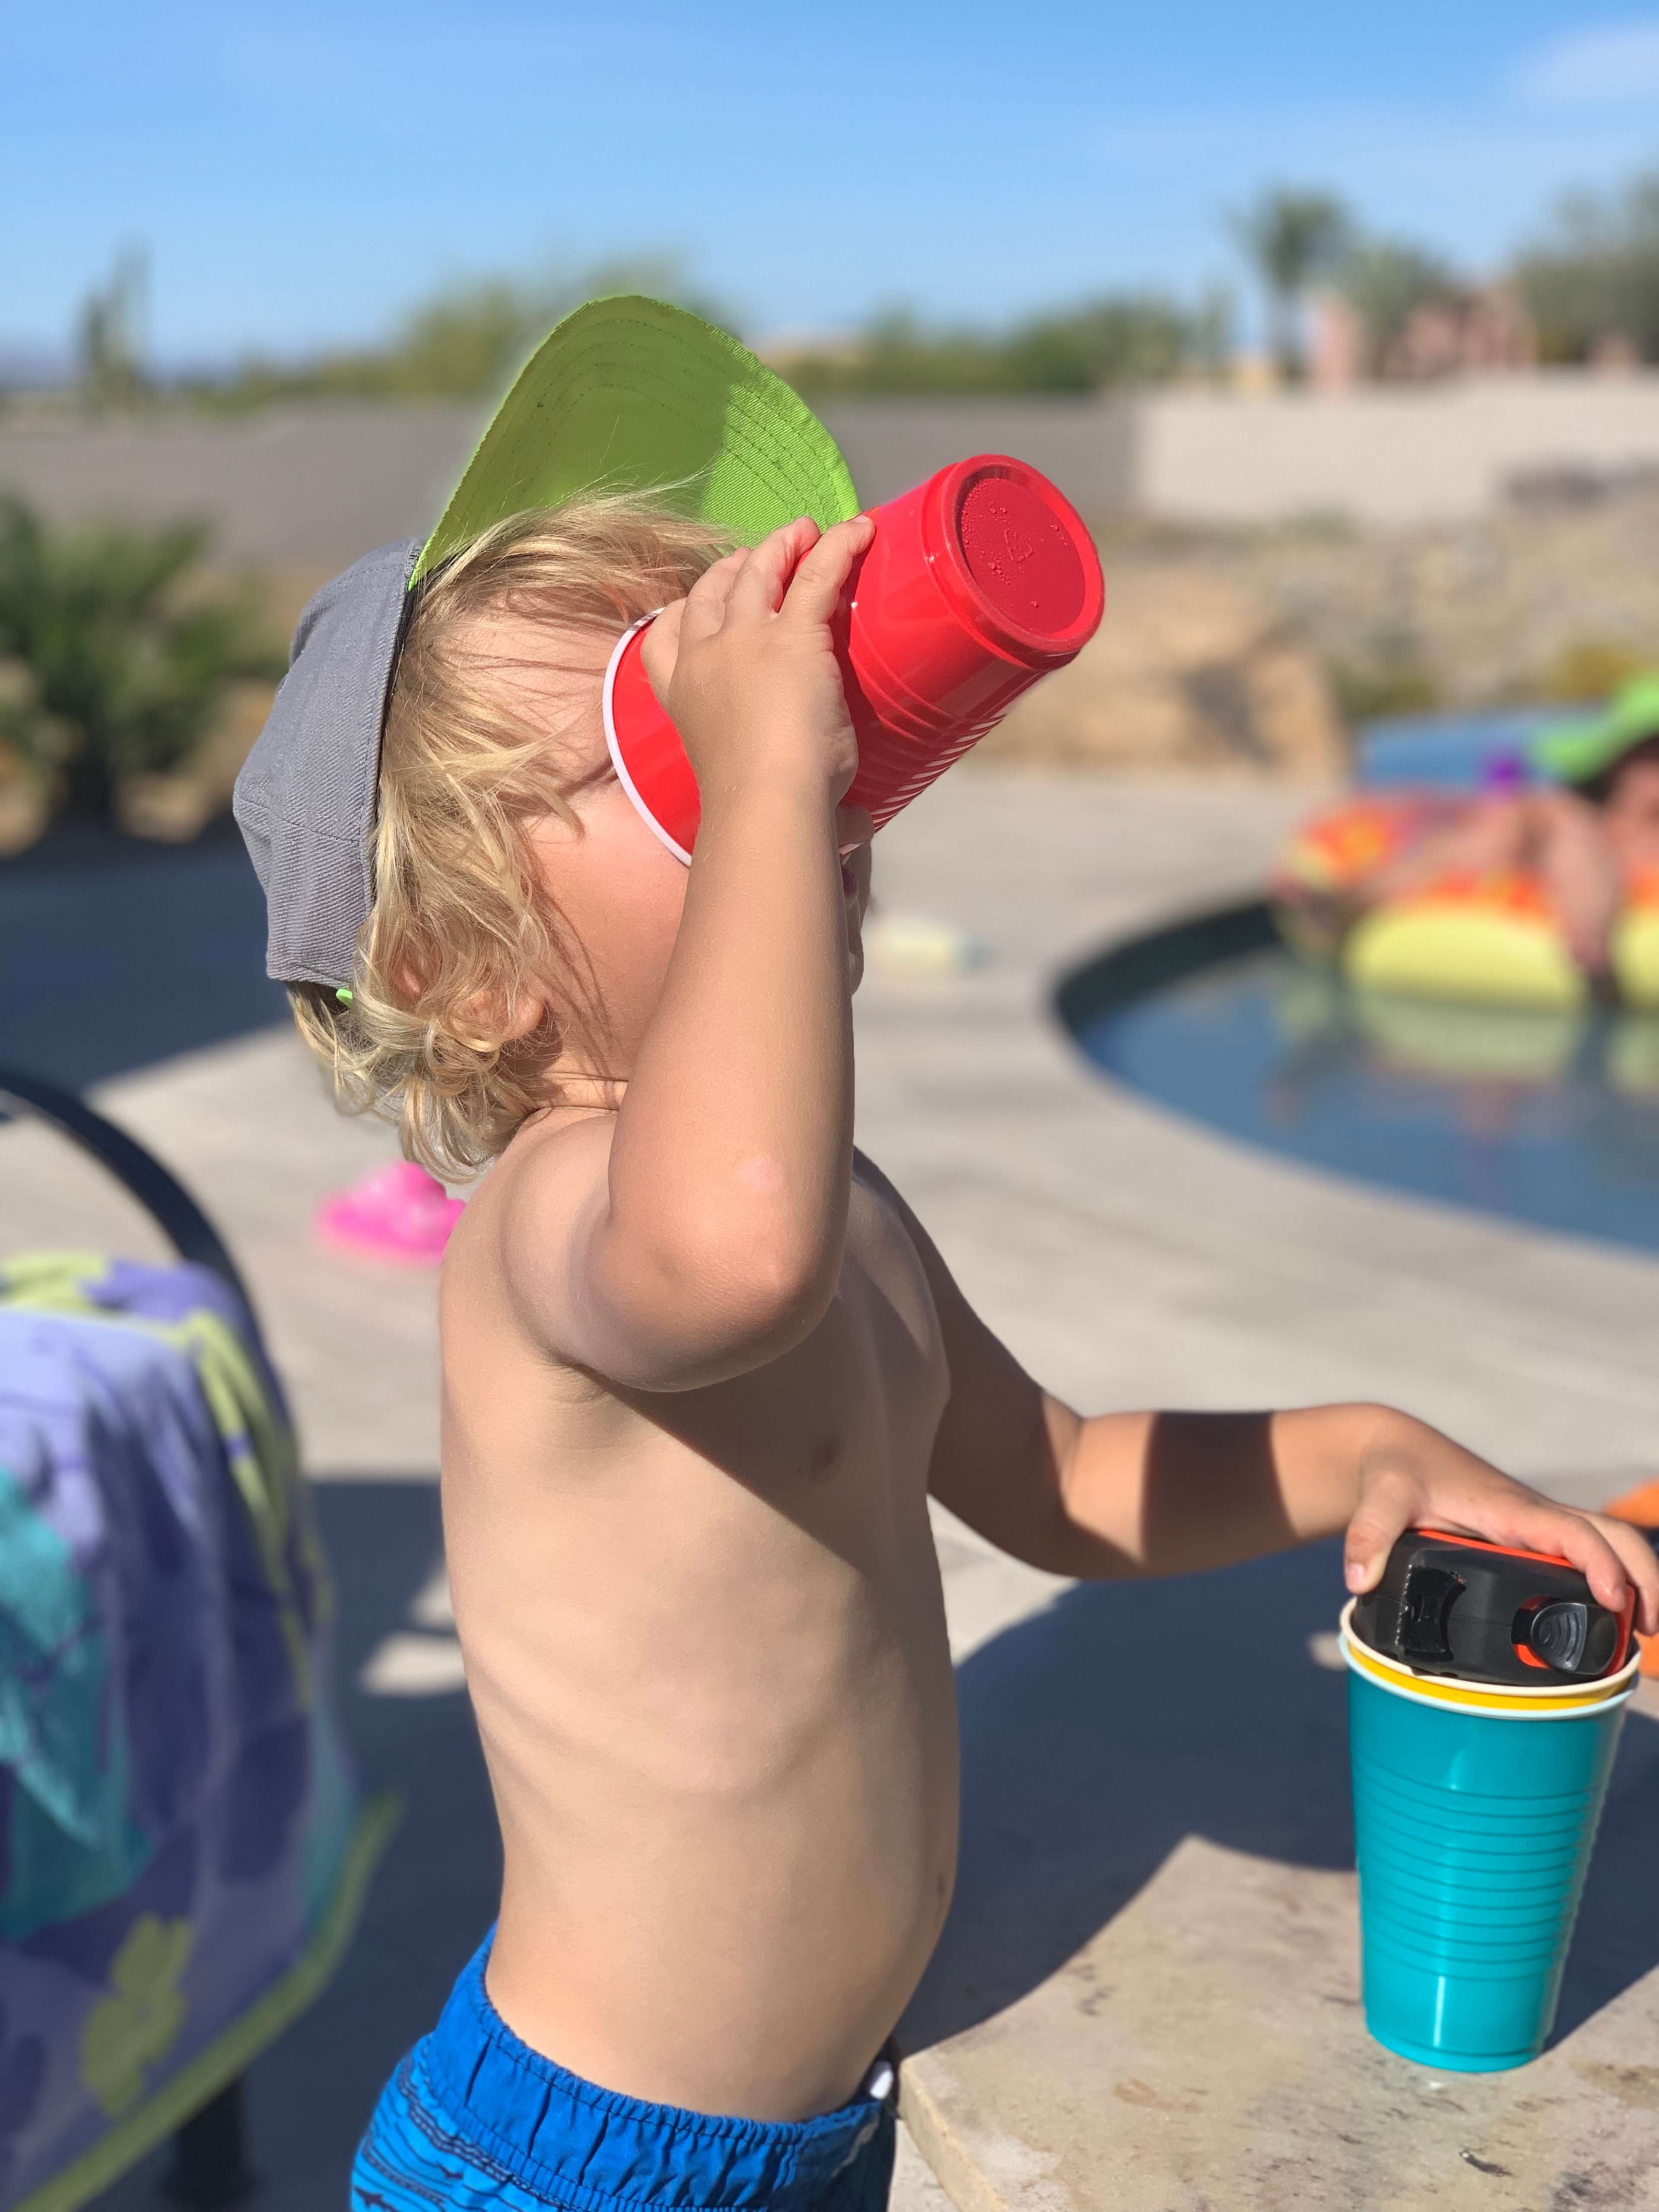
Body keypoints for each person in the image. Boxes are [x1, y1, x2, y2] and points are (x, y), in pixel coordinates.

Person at [232, 301, 1659, 2212]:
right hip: (573, 2156)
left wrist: (1370, 1446)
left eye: (788, 734)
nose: (799, 775)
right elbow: (733, 1251)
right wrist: (763, 784)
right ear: (459, 971)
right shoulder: (558, 1225)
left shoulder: (844, 1209)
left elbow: (1061, 1480)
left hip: (812, 2133)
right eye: (670, 752)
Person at [1278, 677, 1659, 983]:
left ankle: (1590, 943)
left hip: (1599, 891)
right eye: (1652, 753)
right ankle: (1353, 900)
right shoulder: (1570, 814)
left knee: (1555, 825)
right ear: (1620, 762)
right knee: (1534, 821)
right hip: (1541, 872)